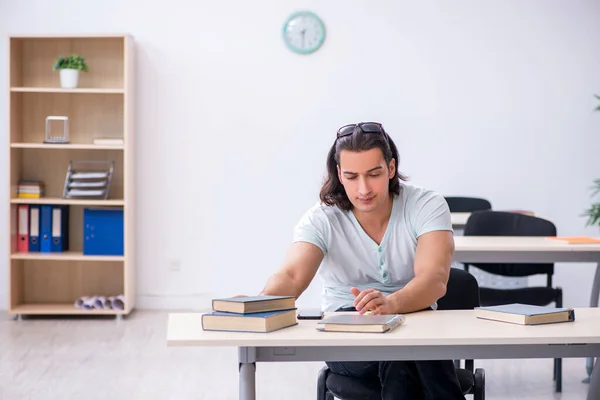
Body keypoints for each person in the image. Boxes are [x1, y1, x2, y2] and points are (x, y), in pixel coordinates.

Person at [257, 121, 465, 399]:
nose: (364, 188)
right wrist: (255, 306)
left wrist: (390, 305)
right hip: (346, 333)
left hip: (416, 323)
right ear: (339, 175)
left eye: (374, 174)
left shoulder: (426, 205)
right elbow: (291, 276)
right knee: (405, 351)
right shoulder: (322, 218)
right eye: (352, 176)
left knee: (404, 349)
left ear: (391, 169)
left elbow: (434, 280)